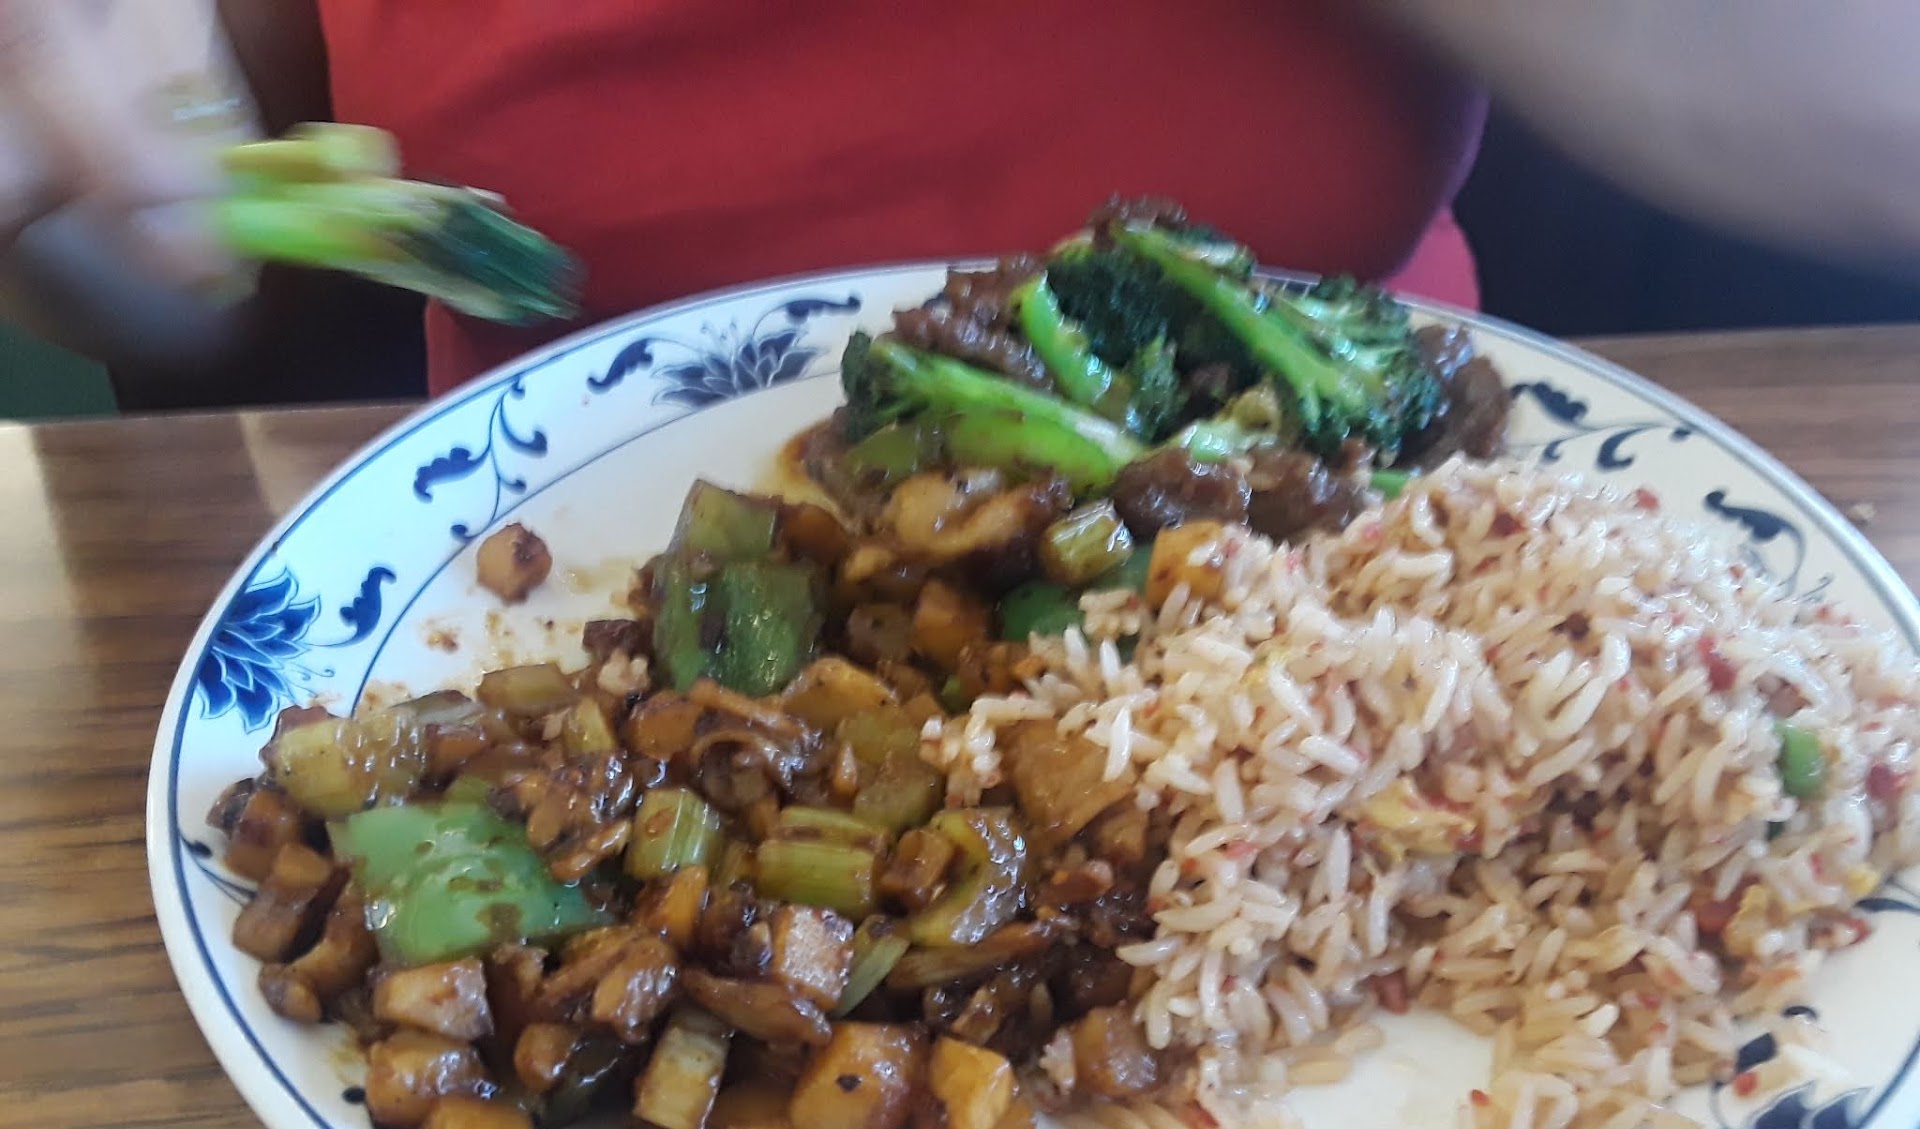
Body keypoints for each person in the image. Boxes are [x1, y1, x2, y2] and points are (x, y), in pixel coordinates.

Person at [4, 0, 1919, 394]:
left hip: (1362, 536)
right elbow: (192, 270)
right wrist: (94, 196)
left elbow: (1874, 114)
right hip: (553, 579)